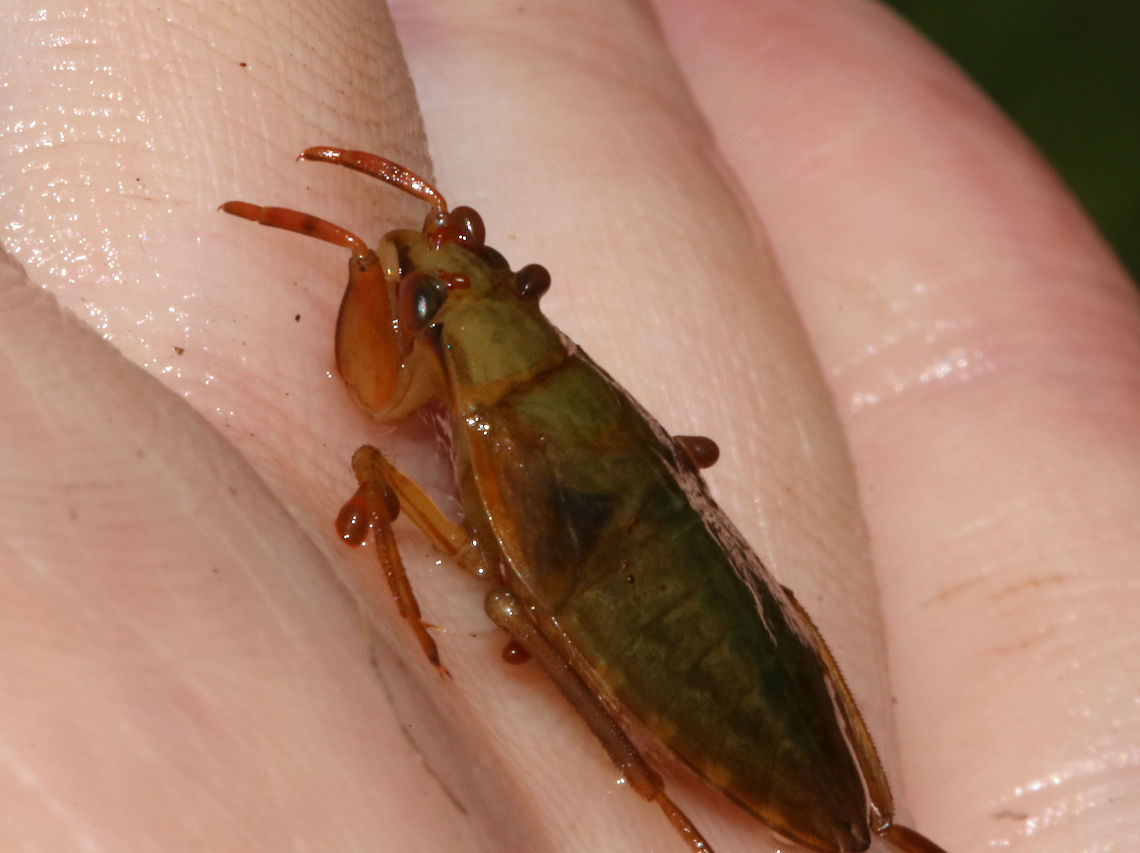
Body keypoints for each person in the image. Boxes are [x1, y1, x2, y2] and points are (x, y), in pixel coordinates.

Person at [2, 1, 1135, 849]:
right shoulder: (550, 380)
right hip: (726, 612)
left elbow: (426, 475)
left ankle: (689, 815)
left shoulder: (491, 423)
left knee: (469, 552)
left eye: (444, 288)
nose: (424, 276)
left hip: (656, 631)